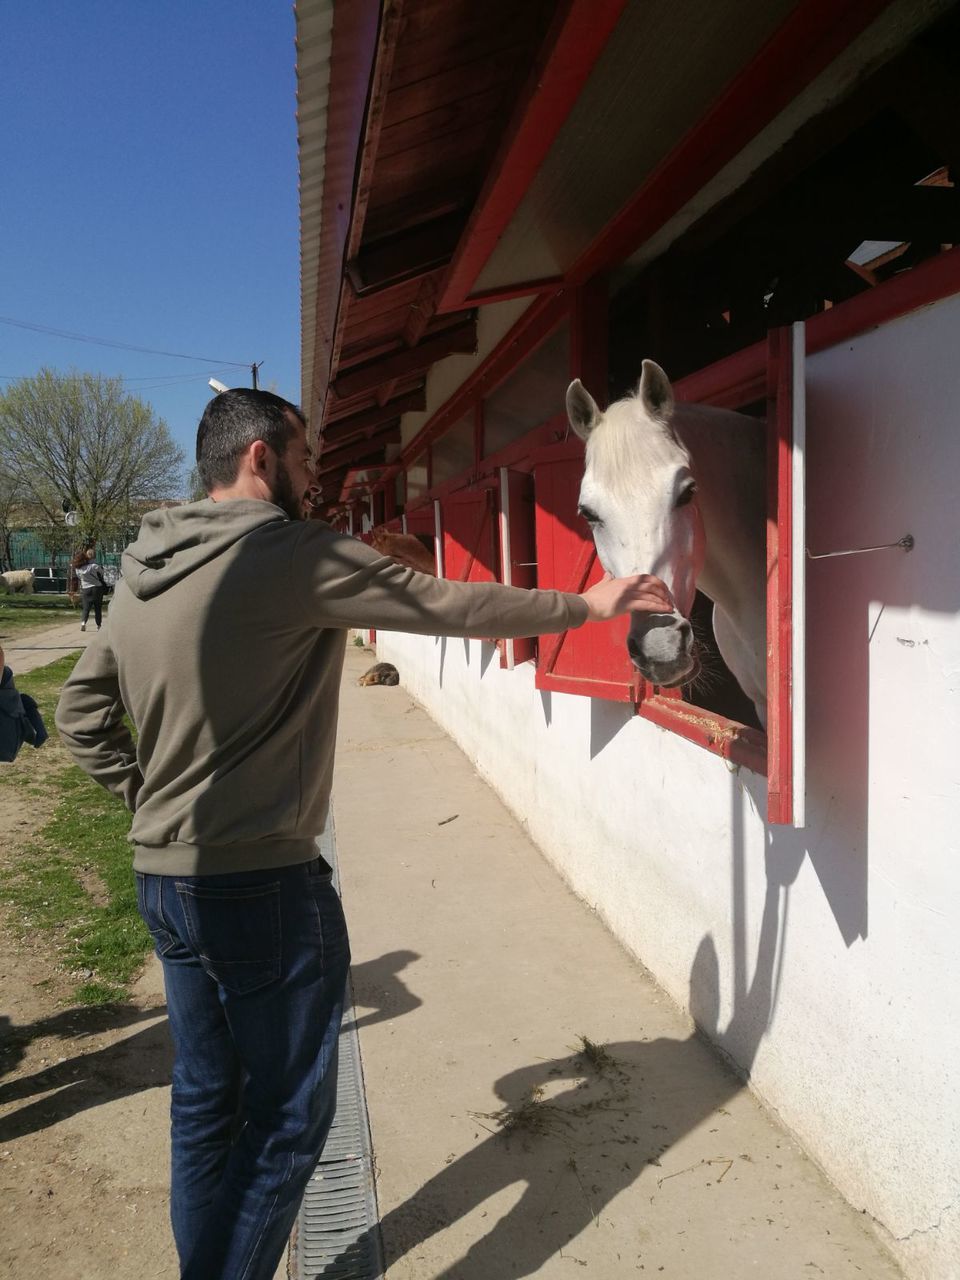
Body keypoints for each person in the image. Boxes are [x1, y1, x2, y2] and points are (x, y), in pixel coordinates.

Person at [54, 388, 673, 1280]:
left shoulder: (145, 564)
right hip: (261, 888)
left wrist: (147, 799)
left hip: (165, 881)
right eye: (306, 458)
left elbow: (79, 714)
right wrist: (589, 604)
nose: (317, 475)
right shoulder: (289, 552)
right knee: (288, 1121)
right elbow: (449, 604)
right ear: (261, 459)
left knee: (202, 1105)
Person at [72, 545, 107, 631]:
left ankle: (83, 623)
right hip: (97, 588)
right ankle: (99, 626)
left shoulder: (78, 569)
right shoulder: (94, 566)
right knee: (98, 608)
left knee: (86, 608)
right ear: (94, 556)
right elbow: (102, 573)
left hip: (85, 589)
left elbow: (80, 578)